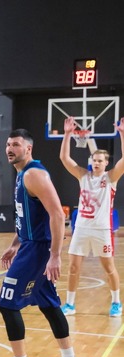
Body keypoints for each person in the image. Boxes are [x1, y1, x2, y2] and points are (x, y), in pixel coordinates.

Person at [0, 128, 84, 357]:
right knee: (49, 305)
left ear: (28, 148)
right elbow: (28, 217)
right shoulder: (23, 174)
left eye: (16, 144)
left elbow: (57, 214)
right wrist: (15, 243)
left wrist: (54, 255)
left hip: (38, 250)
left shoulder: (34, 174)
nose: (10, 149)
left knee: (7, 304)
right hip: (30, 246)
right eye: (8, 144)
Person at [59, 116, 124, 317]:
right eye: (94, 160)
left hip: (101, 230)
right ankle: (70, 304)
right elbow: (64, 158)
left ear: (106, 163)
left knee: (109, 268)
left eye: (100, 161)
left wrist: (122, 134)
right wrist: (67, 134)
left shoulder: (110, 178)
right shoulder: (83, 176)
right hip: (81, 228)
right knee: (73, 268)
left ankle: (116, 302)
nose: (96, 163)